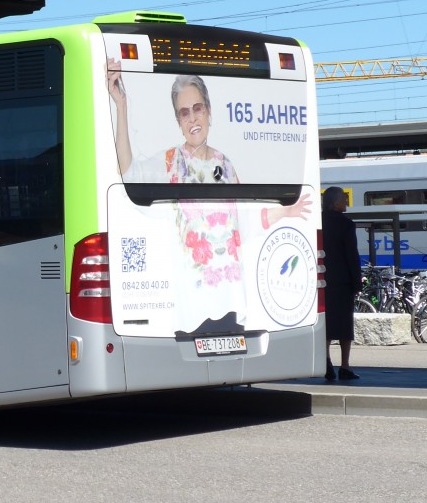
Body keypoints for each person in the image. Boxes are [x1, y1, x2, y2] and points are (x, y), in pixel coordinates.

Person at [106, 65, 311, 335]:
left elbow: (245, 222)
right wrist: (121, 107)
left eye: (198, 108)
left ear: (209, 112)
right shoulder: (169, 163)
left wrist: (285, 212)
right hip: (191, 307)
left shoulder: (225, 165)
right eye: (184, 112)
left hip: (231, 300)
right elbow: (129, 173)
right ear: (178, 121)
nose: (193, 118)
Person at [321, 186, 363, 382]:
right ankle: (345, 366)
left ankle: (326, 362)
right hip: (342, 282)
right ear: (336, 202)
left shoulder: (318, 221)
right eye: (344, 199)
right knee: (345, 326)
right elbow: (351, 256)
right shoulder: (346, 224)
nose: (346, 202)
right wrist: (357, 283)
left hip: (321, 281)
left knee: (326, 324)